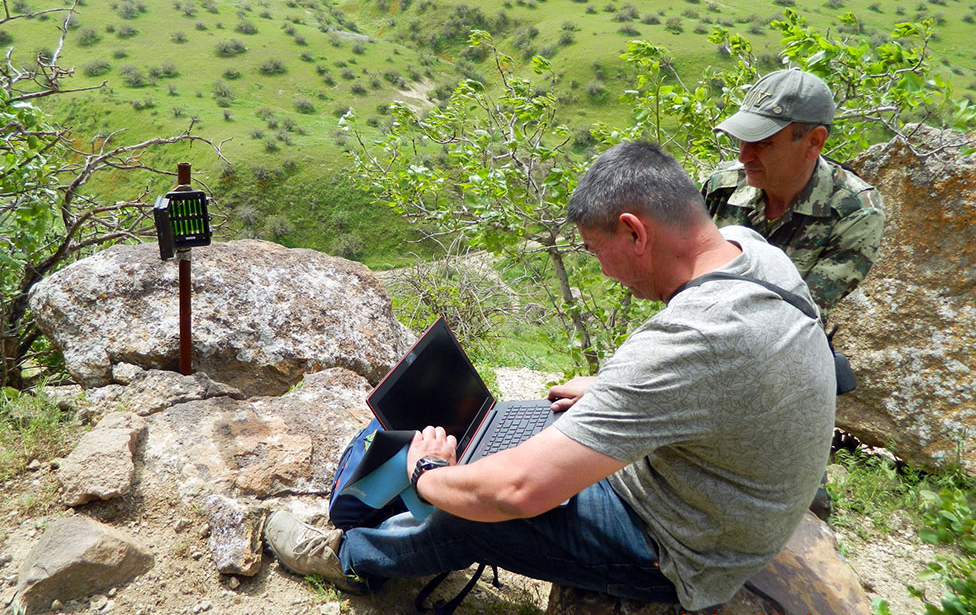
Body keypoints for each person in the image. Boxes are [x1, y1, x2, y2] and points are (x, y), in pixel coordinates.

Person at [263, 141, 836, 611]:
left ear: (636, 232)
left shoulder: (697, 339)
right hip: (706, 489)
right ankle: (381, 496)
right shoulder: (753, 253)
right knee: (470, 431)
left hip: (683, 548)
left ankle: (350, 557)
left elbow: (517, 493)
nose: (602, 270)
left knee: (468, 509)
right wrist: (616, 392)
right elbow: (716, 378)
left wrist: (431, 475)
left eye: (595, 250)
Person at [703, 69, 885, 321]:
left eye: (763, 143)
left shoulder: (854, 212)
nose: (743, 157)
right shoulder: (722, 187)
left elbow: (796, 317)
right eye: (742, 140)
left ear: (813, 142)